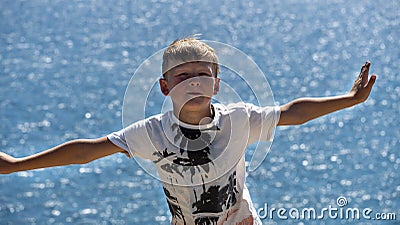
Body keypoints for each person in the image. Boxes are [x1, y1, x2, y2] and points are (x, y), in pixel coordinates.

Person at [0, 37, 376, 225]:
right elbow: (88, 150)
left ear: (216, 83)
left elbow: (291, 112)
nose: (194, 83)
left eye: (203, 75)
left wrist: (348, 100)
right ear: (165, 87)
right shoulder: (153, 133)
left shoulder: (238, 119)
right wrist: (17, 165)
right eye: (183, 77)